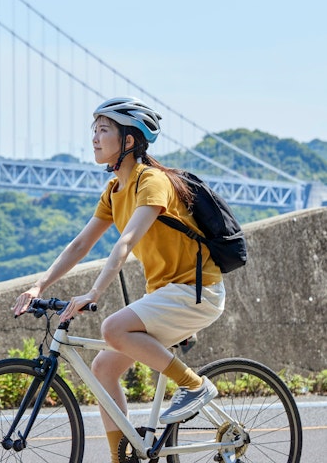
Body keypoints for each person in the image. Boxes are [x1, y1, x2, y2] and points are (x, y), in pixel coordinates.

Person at [12, 96, 226, 463]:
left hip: (196, 291)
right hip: (165, 296)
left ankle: (195, 385)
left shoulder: (153, 181)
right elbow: (81, 244)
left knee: (112, 328)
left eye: (104, 130)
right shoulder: (114, 191)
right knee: (103, 369)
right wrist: (39, 286)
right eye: (94, 130)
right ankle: (122, 459)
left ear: (129, 141)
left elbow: (127, 241)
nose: (95, 138)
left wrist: (95, 291)